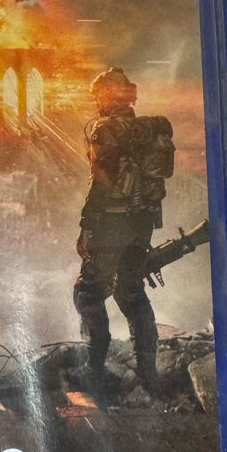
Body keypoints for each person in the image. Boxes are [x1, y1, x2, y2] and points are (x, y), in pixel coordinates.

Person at [73, 66, 175, 399]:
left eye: (98, 95)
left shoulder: (105, 129)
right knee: (131, 292)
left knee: (88, 292)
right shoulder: (145, 129)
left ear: (106, 96)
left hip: (111, 223)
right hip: (141, 223)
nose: (95, 101)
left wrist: (87, 224)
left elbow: (100, 182)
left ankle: (93, 372)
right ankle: (148, 375)